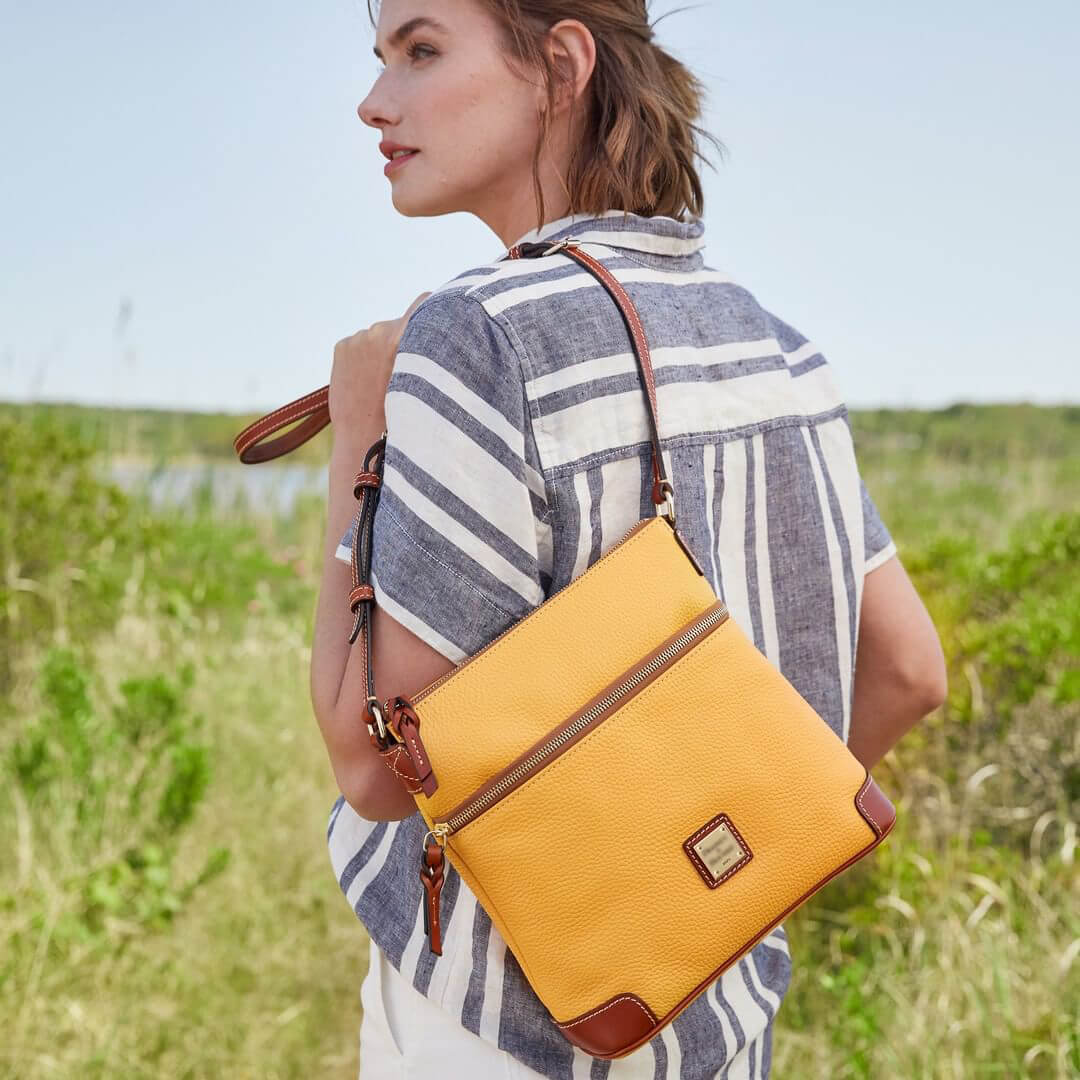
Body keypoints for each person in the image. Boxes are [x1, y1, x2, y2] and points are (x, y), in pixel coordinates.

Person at [308, 1, 948, 1077]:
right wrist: (699, 894)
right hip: (722, 1021)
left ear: (561, 64)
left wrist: (358, 446)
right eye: (381, 60)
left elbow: (375, 768)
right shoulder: (780, 348)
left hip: (497, 1032)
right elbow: (906, 670)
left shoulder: (475, 336)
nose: (375, 101)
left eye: (421, 51)